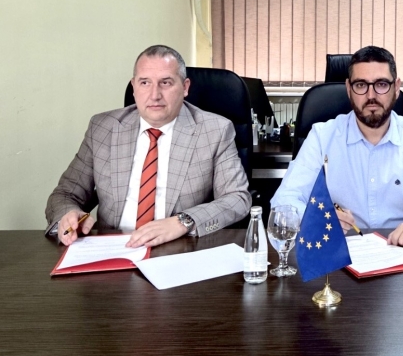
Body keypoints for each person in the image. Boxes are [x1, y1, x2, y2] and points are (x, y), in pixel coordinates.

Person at [45, 45, 251, 248]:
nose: (154, 95)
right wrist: (68, 214)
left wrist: (183, 221)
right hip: (112, 249)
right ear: (134, 87)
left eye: (166, 83)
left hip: (179, 248)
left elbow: (237, 198)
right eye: (145, 83)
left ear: (185, 87)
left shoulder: (214, 130)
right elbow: (65, 194)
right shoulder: (103, 128)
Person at [271, 46, 403, 249]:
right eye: (361, 85)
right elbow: (285, 201)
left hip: (401, 252)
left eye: (381, 84)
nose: (371, 95)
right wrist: (316, 218)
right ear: (348, 88)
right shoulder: (322, 137)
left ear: (396, 87)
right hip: (336, 252)